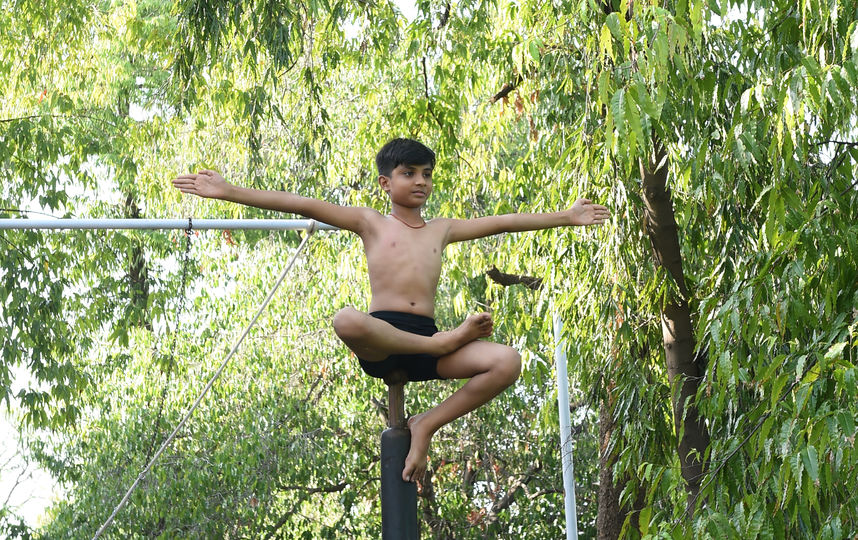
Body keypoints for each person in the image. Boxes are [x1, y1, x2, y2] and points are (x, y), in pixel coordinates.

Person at [172, 138, 610, 483]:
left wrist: (566, 216)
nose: (420, 181)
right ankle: (441, 342)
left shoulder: (443, 229)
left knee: (507, 361)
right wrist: (228, 191)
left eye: (426, 174)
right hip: (385, 340)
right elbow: (299, 203)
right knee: (345, 319)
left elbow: (506, 221)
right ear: (386, 183)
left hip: (431, 346)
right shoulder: (370, 222)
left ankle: (426, 426)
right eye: (408, 173)